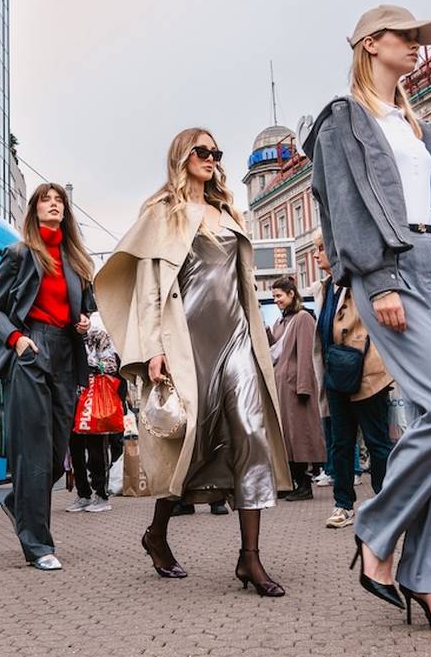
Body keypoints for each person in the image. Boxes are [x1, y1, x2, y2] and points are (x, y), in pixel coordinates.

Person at [304, 4, 431, 634]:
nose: (416, 46)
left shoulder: (417, 123)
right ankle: (375, 532)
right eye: (407, 37)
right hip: (392, 268)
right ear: (372, 44)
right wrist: (374, 277)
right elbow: (344, 209)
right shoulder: (344, 121)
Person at [95, 127, 291, 597]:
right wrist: (154, 348)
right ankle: (157, 532)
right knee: (193, 443)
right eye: (202, 151)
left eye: (216, 152)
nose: (211, 158)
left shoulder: (228, 213)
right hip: (187, 343)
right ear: (182, 157)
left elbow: (241, 285)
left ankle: (250, 559)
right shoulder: (161, 214)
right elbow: (148, 290)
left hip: (237, 338)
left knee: (251, 432)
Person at [0, 184, 94, 570]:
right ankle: (38, 545)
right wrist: (16, 340)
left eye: (59, 200)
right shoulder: (19, 254)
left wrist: (83, 323)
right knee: (32, 453)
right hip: (31, 350)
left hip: (67, 353)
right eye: (46, 200)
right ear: (34, 209)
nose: (54, 204)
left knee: (53, 456)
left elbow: (87, 311)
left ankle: (18, 504)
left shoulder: (77, 261)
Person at [312, 236, 393, 528]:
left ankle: (385, 502)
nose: (317, 255)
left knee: (377, 441)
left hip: (367, 372)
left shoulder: (359, 279)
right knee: (341, 444)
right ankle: (343, 504)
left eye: (321, 249)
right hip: (336, 375)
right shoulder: (324, 287)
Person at [267, 275, 324, 501]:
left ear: (291, 294)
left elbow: (306, 355)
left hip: (295, 388)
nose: (276, 300)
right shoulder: (281, 322)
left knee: (300, 437)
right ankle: (293, 482)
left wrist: (304, 386)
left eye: (279, 295)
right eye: (273, 297)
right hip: (282, 387)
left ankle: (304, 485)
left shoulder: (303, 318)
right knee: (287, 438)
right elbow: (274, 349)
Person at [68, 313, 121, 514]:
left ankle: (101, 494)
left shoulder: (97, 335)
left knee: (96, 447)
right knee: (75, 448)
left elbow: (110, 365)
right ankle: (83, 494)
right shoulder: (66, 337)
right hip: (72, 398)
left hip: (92, 399)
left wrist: (89, 366)